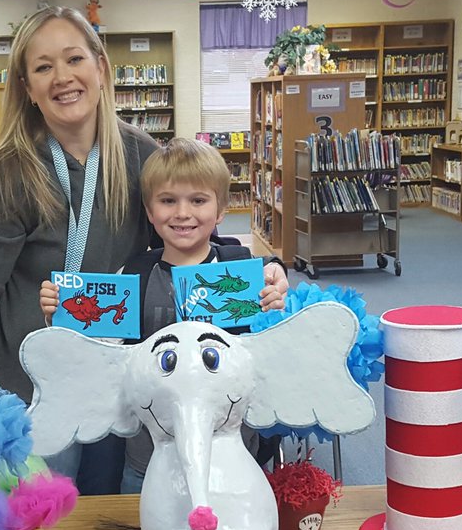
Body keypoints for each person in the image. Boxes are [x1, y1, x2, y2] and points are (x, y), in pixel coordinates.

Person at [0, 8, 287, 494]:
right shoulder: (4, 179)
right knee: (40, 527)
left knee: (108, 516)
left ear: (101, 68)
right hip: (35, 390)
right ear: (26, 86)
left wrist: (266, 270)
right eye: (43, 67)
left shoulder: (141, 155)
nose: (63, 77)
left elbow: (188, 238)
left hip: (120, 383)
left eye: (74, 59)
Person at [39, 138, 287, 493]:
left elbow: (271, 345)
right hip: (149, 462)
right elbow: (101, 355)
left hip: (232, 457)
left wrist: (278, 288)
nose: (182, 213)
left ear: (220, 211)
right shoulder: (133, 276)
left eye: (198, 200)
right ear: (150, 210)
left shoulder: (245, 273)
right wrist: (60, 317)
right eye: (168, 201)